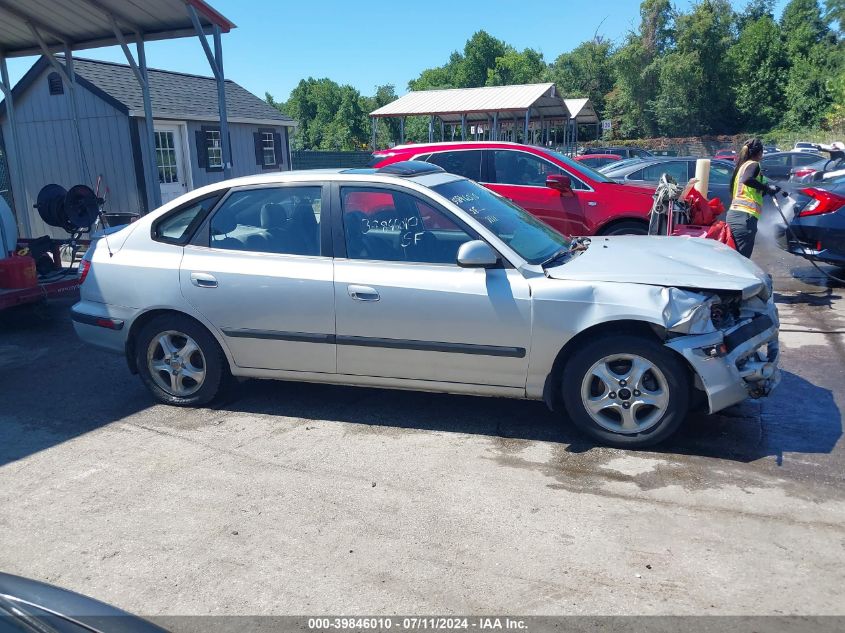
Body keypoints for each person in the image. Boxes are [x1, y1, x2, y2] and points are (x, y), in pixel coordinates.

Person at [726, 138, 781, 258]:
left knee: (734, 257)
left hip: (735, 215)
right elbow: (747, 180)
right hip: (744, 218)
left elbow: (751, 191)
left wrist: (767, 190)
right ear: (760, 152)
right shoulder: (754, 164)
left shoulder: (742, 166)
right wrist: (767, 188)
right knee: (742, 259)